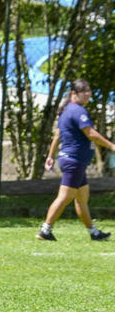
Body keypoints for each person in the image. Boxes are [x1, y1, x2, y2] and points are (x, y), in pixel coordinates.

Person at [37, 78, 115, 242]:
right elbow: (91, 134)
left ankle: (93, 232)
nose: (88, 95)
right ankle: (45, 229)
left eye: (89, 92)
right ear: (74, 94)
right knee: (65, 197)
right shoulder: (78, 111)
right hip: (74, 161)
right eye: (84, 92)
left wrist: (51, 156)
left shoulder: (66, 111)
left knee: (82, 198)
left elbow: (57, 136)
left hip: (73, 161)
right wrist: (111, 146)